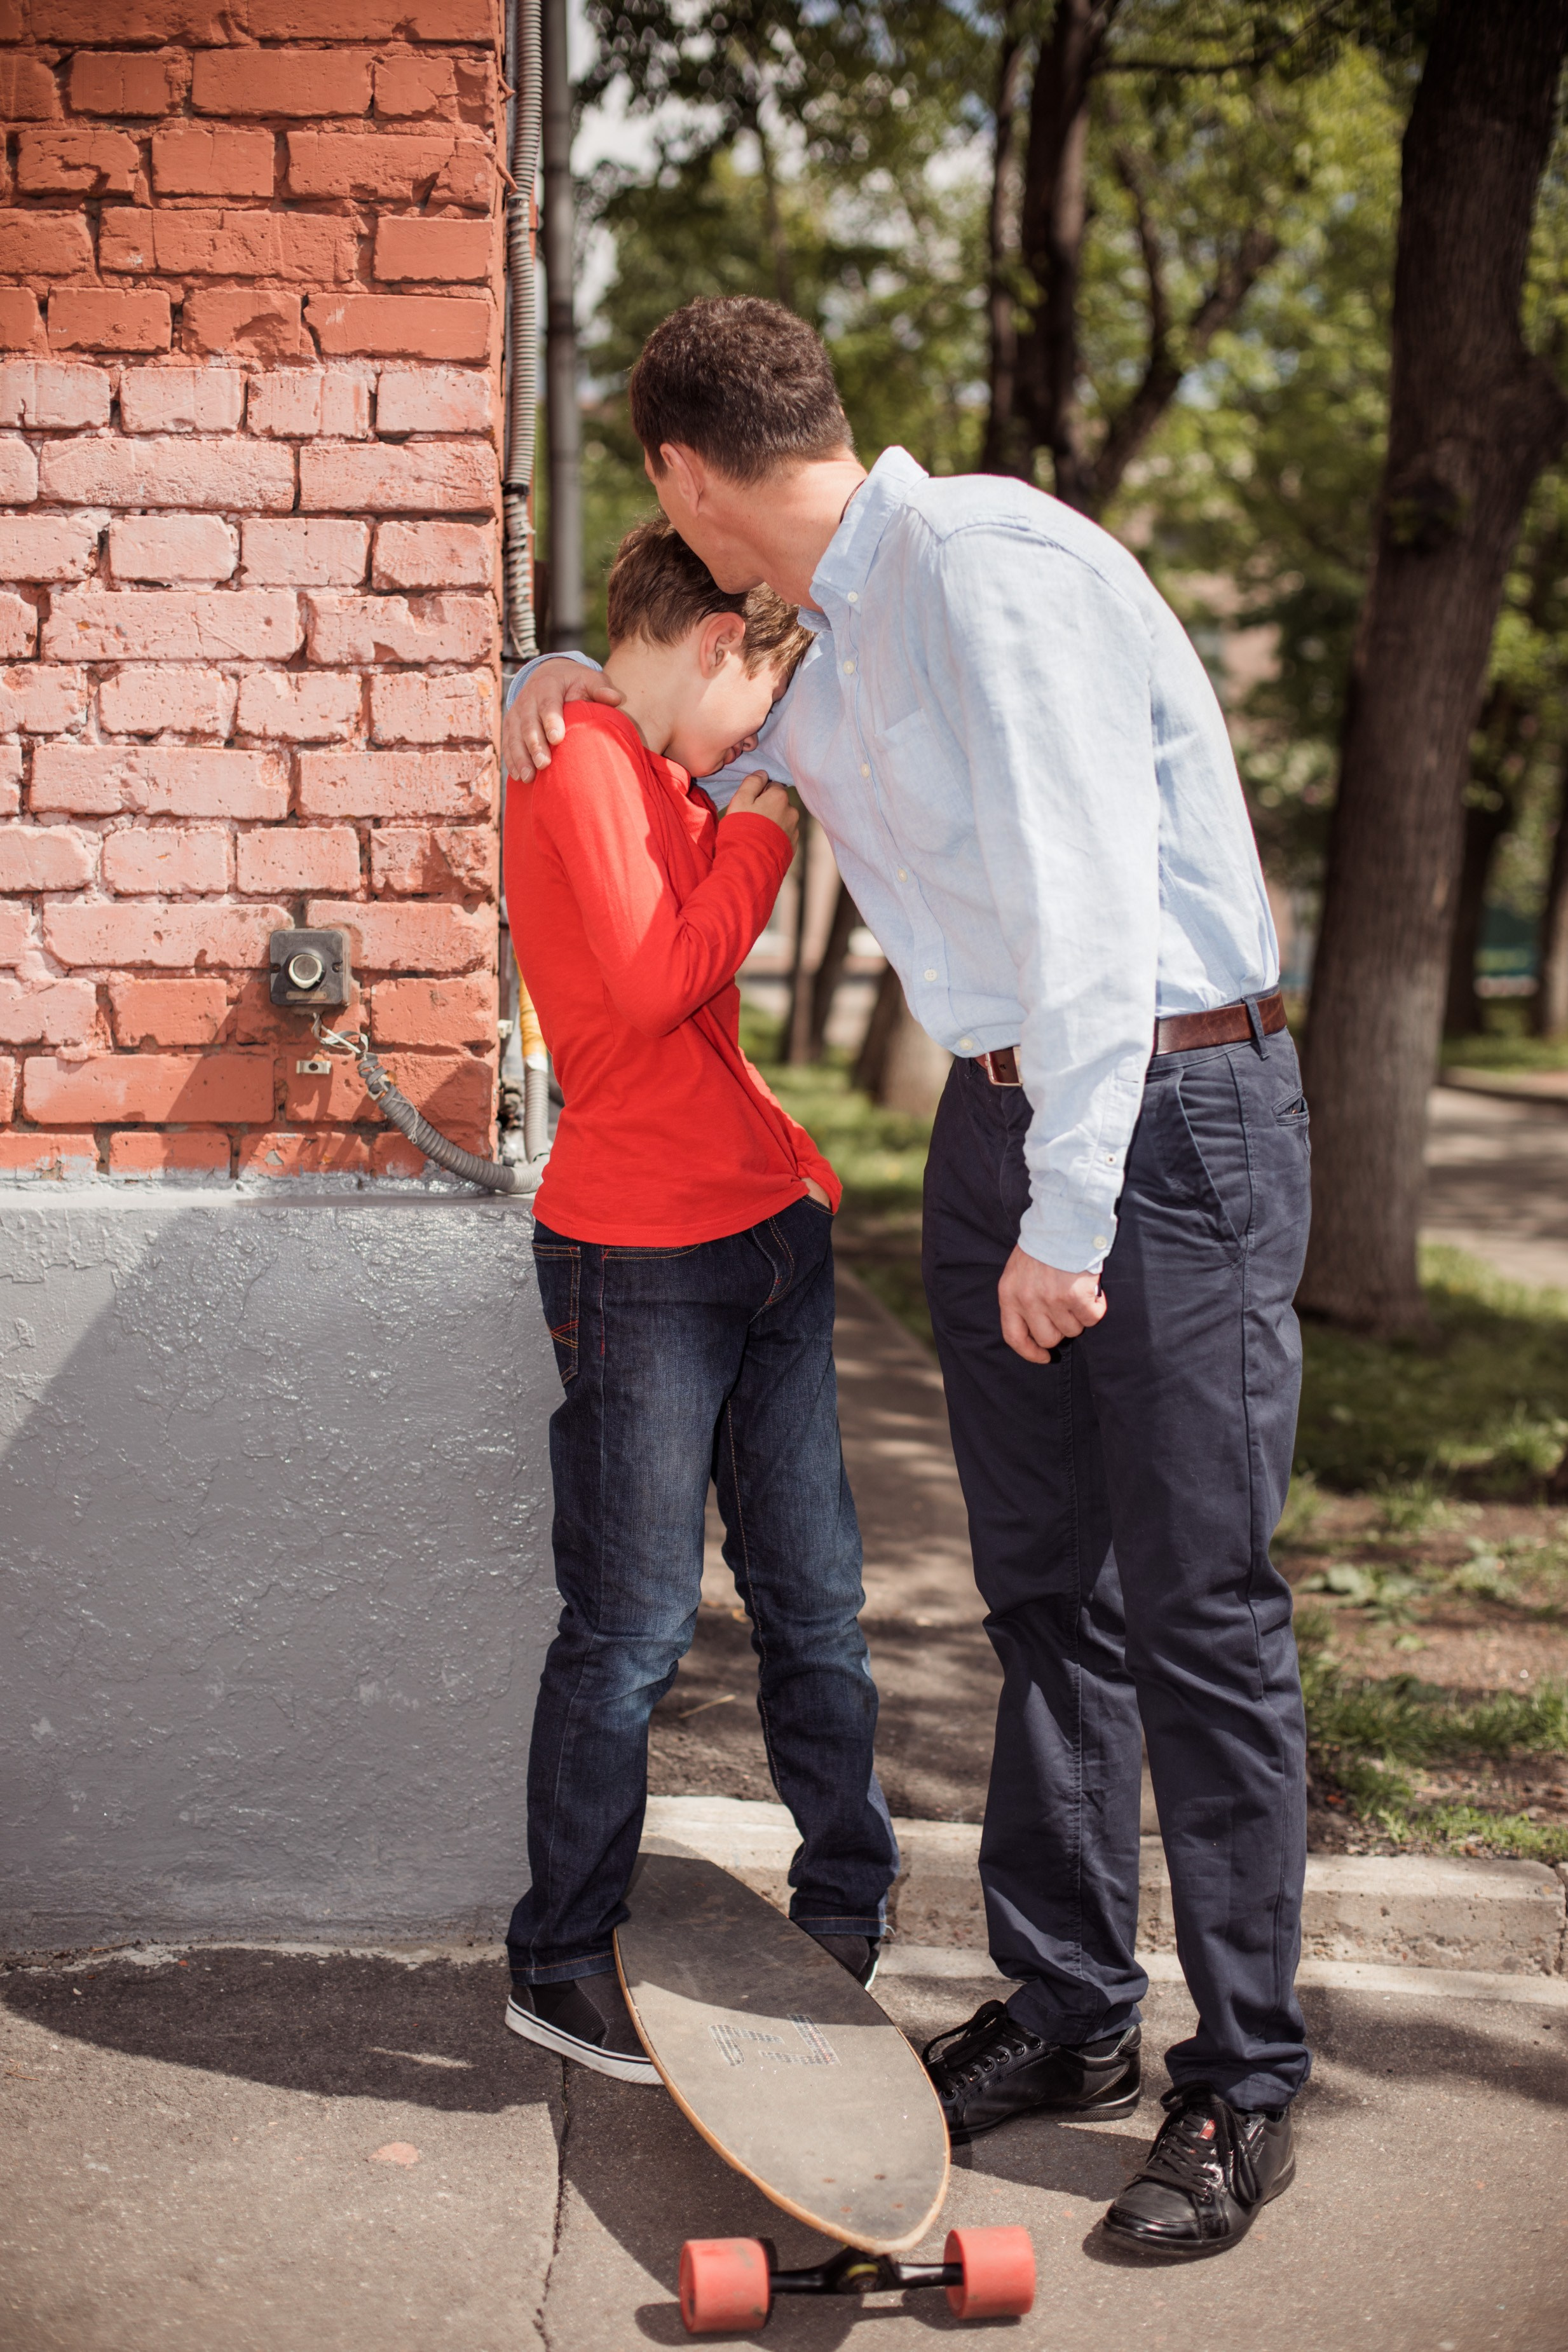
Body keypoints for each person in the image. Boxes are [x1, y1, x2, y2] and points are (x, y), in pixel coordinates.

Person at [504, 297, 1312, 2256]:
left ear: (688, 480)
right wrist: (539, 670)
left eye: (651, 487)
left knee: (1194, 1606)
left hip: (1164, 1112)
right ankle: (1068, 2006)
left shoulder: (985, 572)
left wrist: (1067, 1214)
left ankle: (1242, 2079)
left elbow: (1094, 917)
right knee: (1046, 1596)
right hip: (1003, 1118)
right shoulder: (829, 643)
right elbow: (671, 715)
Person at [502, 512, 897, 2084]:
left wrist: (702, 779)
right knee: (632, 1626)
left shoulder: (642, 757)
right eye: (766, 700)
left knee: (818, 1610)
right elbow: (664, 972)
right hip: (641, 1259)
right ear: (723, 641)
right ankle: (555, 1955)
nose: (765, 746)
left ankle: (843, 1911)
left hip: (765, 1235)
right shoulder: (586, 753)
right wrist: (767, 826)